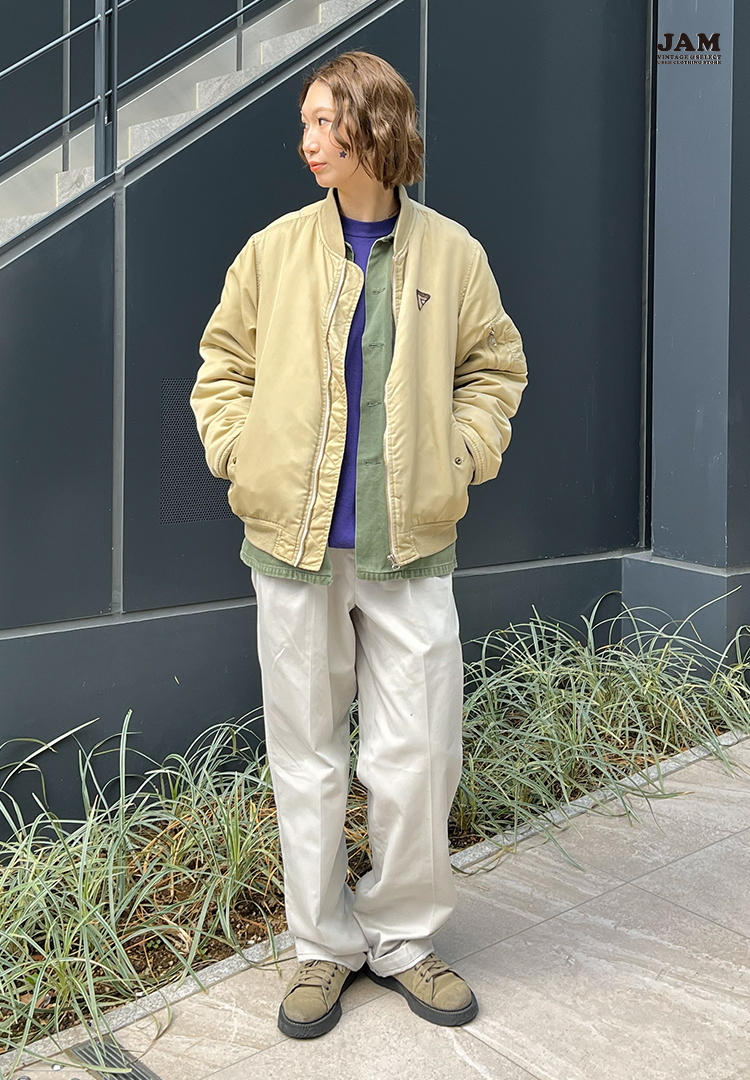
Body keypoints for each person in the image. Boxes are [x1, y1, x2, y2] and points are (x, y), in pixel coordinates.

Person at [190, 49, 527, 1040]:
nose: (306, 141)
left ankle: (404, 941)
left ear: (375, 125)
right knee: (305, 756)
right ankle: (321, 948)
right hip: (290, 548)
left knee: (419, 754)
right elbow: (222, 366)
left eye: (322, 122)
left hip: (409, 546)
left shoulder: (454, 255)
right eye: (303, 123)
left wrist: (461, 457)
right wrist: (241, 455)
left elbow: (494, 368)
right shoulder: (273, 251)